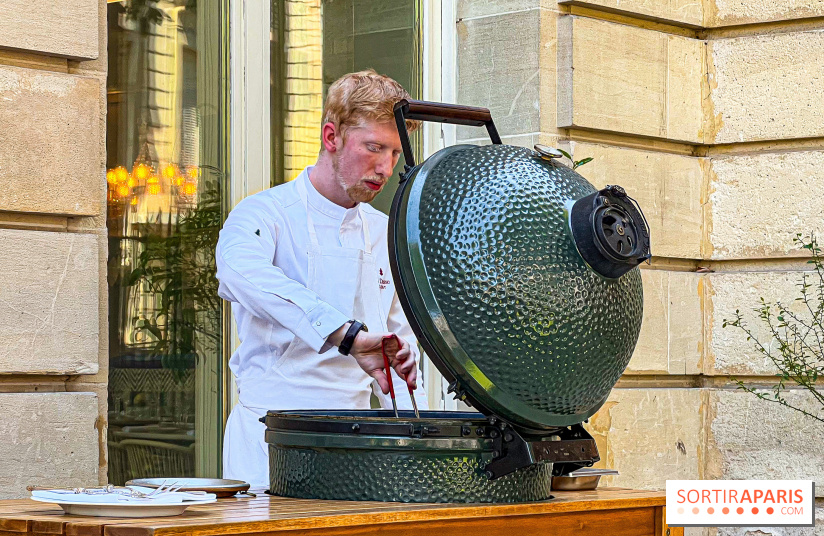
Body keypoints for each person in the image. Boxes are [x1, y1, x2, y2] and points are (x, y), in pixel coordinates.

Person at [216, 70, 429, 487]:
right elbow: (242, 272)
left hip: (356, 445)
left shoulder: (388, 232)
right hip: (267, 442)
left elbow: (400, 353)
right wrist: (344, 335)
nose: (385, 168)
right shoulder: (264, 214)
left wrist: (414, 441)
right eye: (373, 148)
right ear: (331, 137)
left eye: (395, 153)